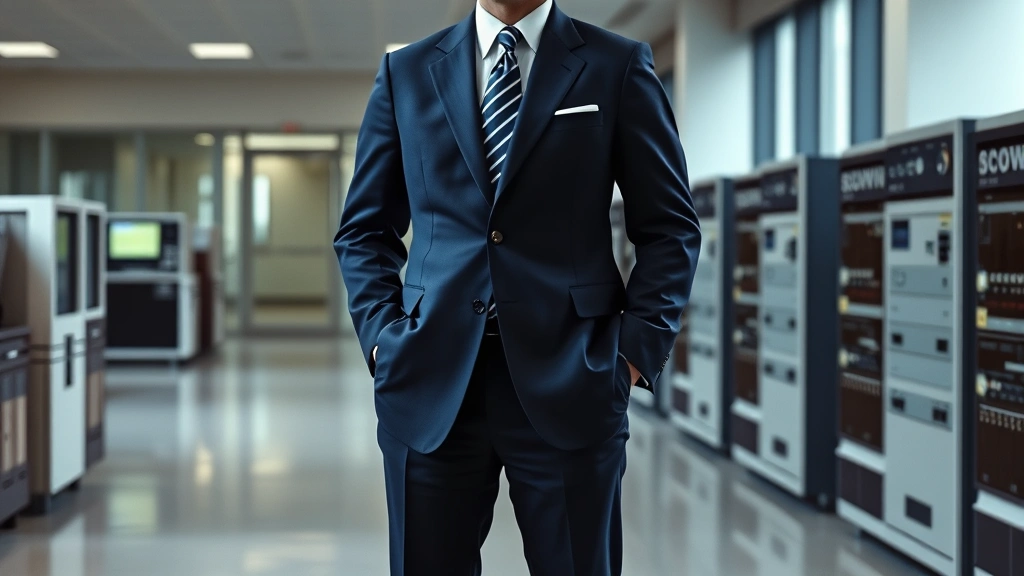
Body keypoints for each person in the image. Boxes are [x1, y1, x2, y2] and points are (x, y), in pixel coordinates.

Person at [334, 0, 700, 573]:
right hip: (429, 381)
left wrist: (631, 356)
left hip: (573, 378)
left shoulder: (616, 64)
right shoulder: (405, 73)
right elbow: (363, 230)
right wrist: (383, 339)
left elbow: (670, 228)